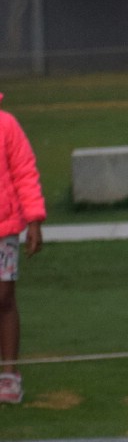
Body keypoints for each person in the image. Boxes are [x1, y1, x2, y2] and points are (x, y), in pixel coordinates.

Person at [0, 93, 45, 406]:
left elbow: (24, 172)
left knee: (3, 298)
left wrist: (34, 220)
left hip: (4, 230)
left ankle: (10, 375)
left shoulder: (7, 124)